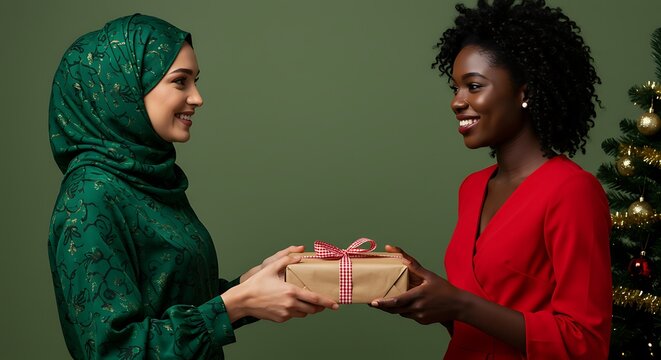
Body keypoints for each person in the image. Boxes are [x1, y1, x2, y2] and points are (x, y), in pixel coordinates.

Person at [47, 14, 337, 360]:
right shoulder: (90, 198)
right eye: (180, 82)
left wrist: (245, 289)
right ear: (121, 89)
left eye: (195, 81)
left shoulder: (148, 181)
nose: (197, 98)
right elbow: (116, 352)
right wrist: (232, 306)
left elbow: (166, 301)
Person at [370, 0, 612, 358]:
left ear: (524, 93)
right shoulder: (472, 188)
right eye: (455, 88)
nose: (457, 101)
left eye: (474, 86)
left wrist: (460, 305)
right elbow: (483, 322)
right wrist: (432, 297)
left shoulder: (573, 191)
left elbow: (586, 344)